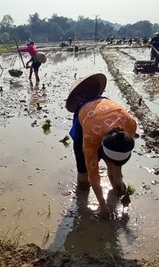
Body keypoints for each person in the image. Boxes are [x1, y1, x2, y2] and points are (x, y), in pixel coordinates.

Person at [65, 73, 138, 219]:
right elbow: (94, 175)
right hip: (85, 126)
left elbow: (118, 153)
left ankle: (115, 181)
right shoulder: (89, 137)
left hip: (104, 121)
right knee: (84, 174)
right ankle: (81, 198)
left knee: (114, 166)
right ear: (102, 146)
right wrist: (102, 205)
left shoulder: (130, 123)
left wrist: (117, 176)